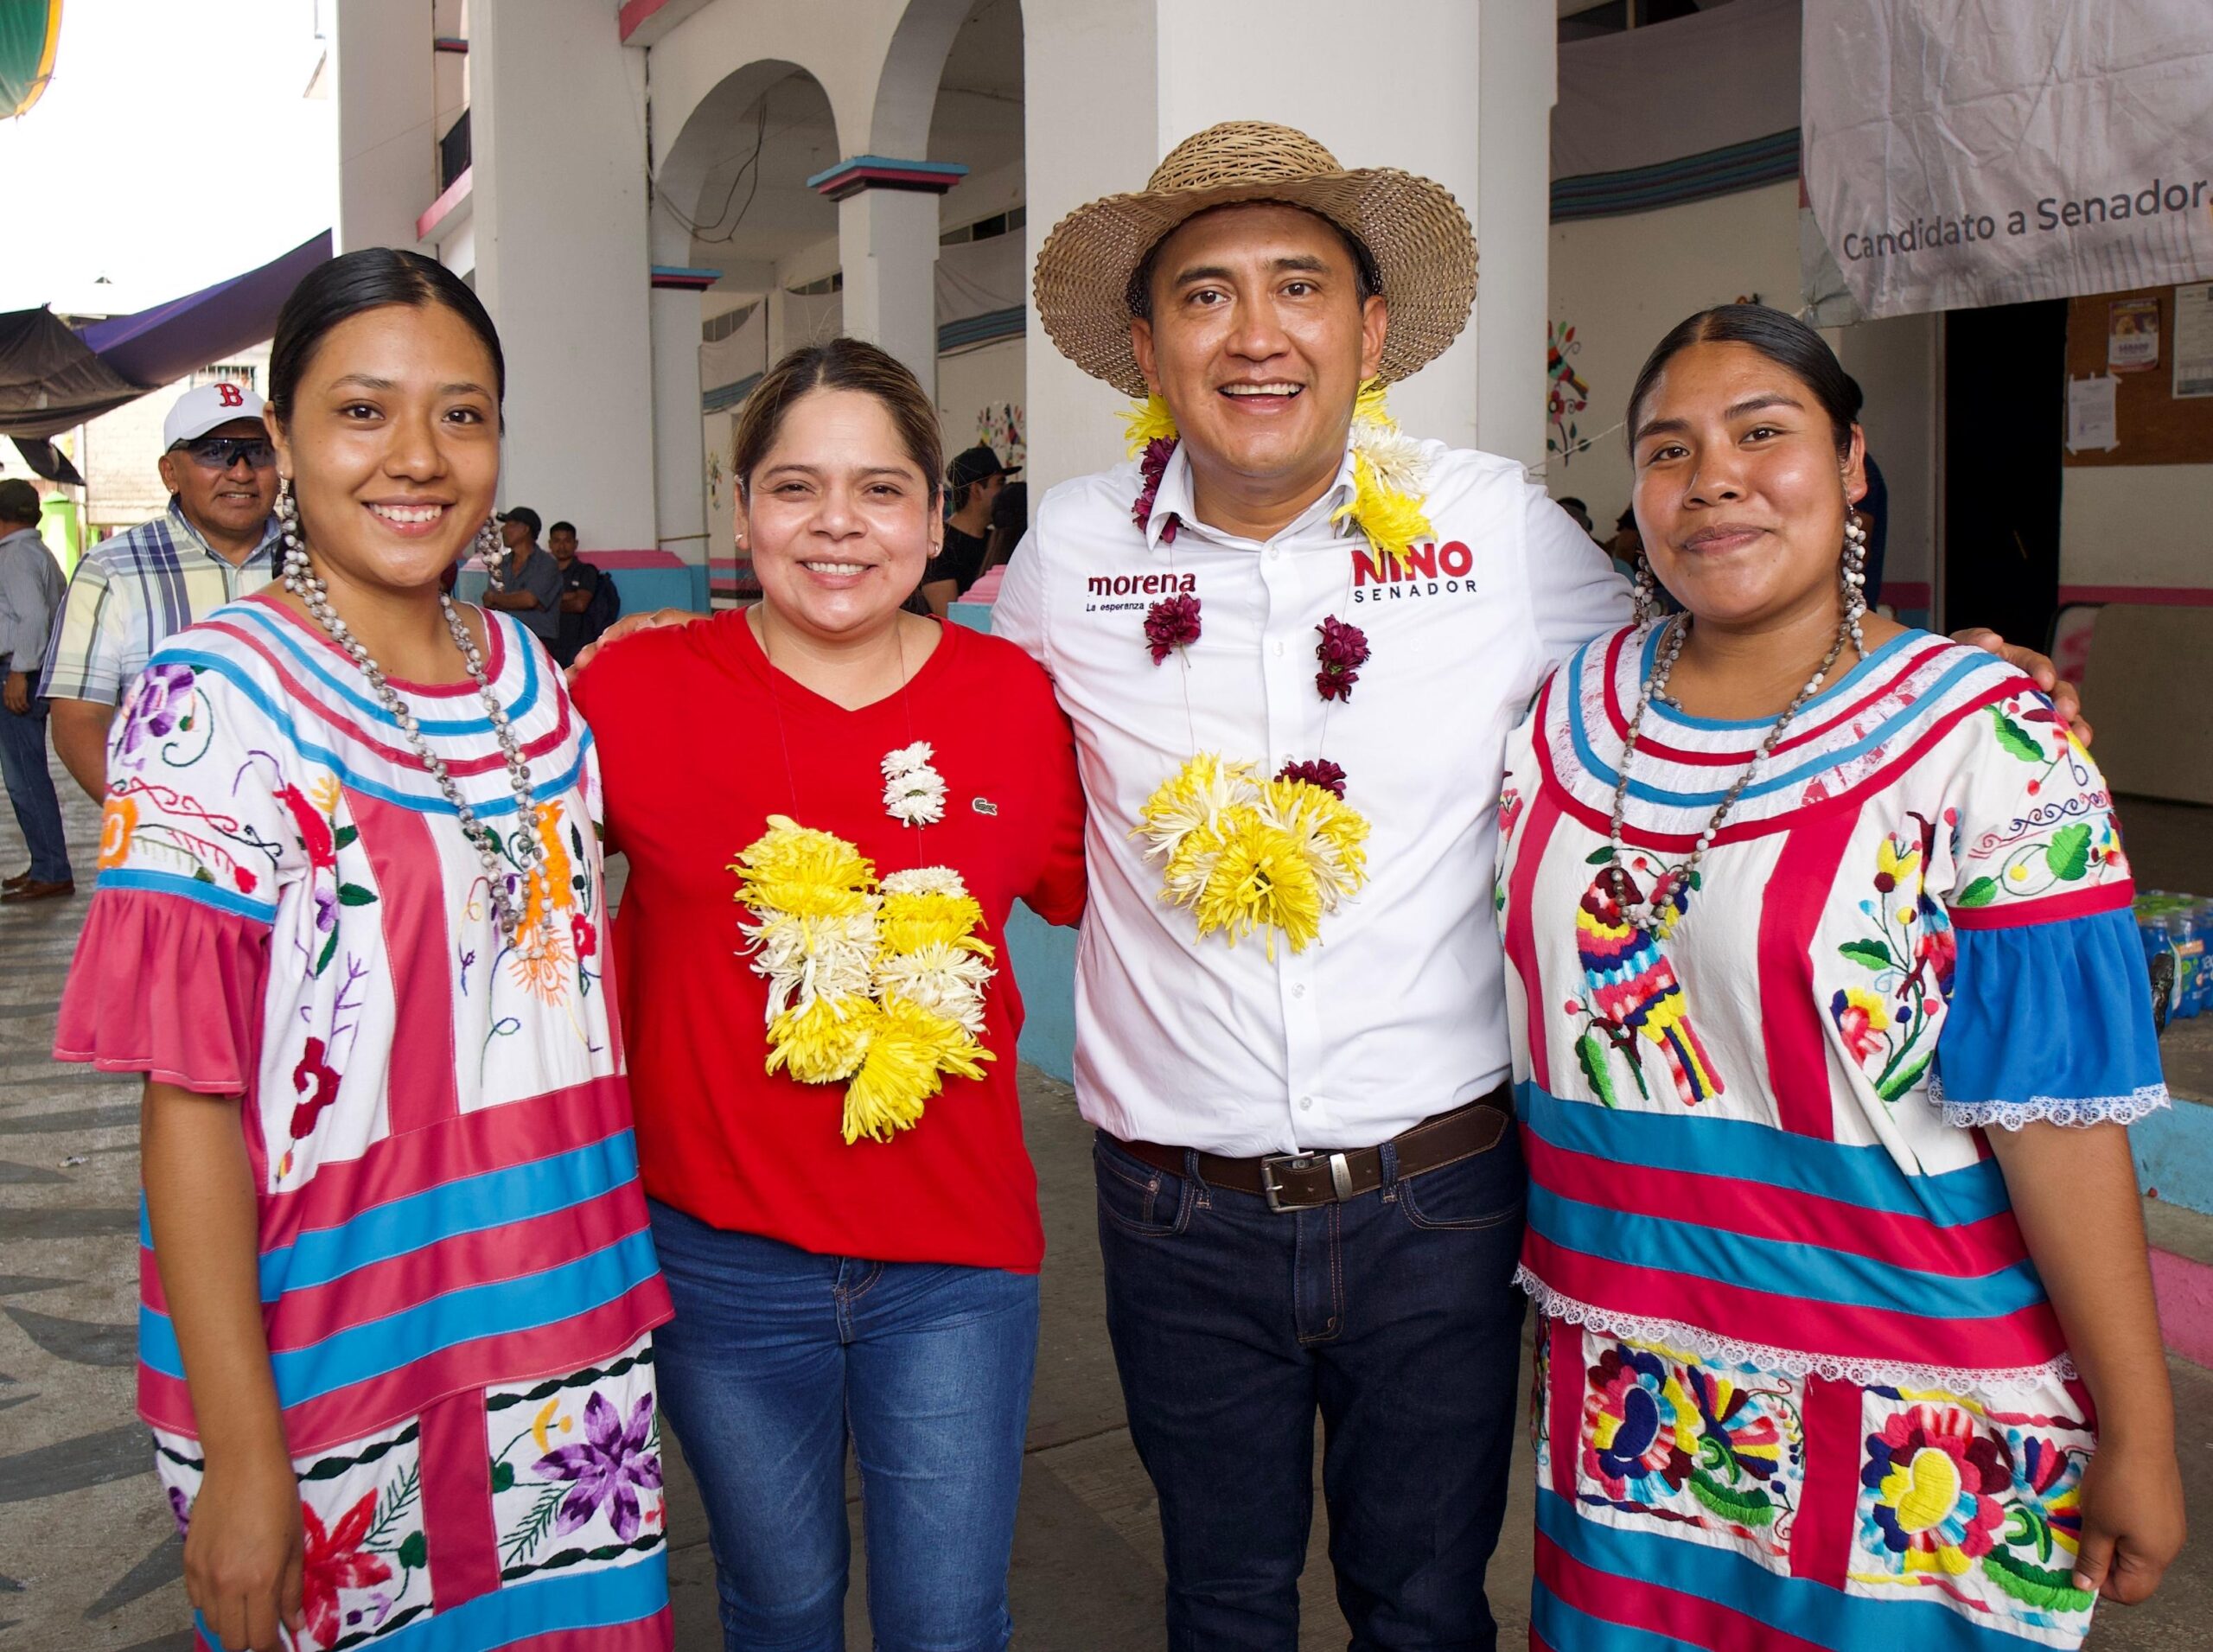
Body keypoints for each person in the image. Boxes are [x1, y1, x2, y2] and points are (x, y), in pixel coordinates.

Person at [993, 124, 2086, 1649]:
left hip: (1439, 1200)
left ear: (1369, 333)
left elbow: (1714, 633)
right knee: (1221, 1602)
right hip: (1178, 1205)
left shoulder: (1491, 529)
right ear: (1144, 347)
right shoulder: (1069, 553)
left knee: (1429, 1606)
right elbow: (909, 684)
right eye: (1206, 296)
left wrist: (1932, 666)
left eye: (1300, 287)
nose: (1256, 335)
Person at [1494, 304, 2182, 1649]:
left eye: (1766, 433)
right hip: (1633, 1383)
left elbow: (2061, 1121)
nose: (1716, 478)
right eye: (1669, 447)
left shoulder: (1989, 741)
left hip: (1920, 1406)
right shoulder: (1562, 712)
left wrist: (2141, 1430)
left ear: (1854, 460)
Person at [53, 248, 673, 1652]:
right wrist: (246, 1455)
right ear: (282, 442)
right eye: (361, 411)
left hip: (565, 1323)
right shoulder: (210, 704)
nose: (417, 456)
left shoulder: (530, 678)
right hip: (329, 1345)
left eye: (462, 413)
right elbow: (192, 1101)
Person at [571, 338, 1085, 1651]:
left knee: (949, 1619)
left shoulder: (1019, 700)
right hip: (716, 1255)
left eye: (881, 488)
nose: (839, 525)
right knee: (780, 1601)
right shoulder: (630, 691)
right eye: (796, 487)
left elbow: (1106, 892)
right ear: (742, 510)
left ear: (935, 512)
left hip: (955, 1262)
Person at [39, 381, 282, 801]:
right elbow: (78, 720)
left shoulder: (324, 560)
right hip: (174, 833)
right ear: (170, 472)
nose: (241, 471)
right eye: (215, 451)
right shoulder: (112, 571)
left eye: (258, 452)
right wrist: (152, 826)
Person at [0, 477, 72, 902]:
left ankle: (51, 869)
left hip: (16, 669)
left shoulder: (15, 557)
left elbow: (31, 619)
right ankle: (44, 862)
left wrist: (19, 673)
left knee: (25, 777)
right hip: (26, 668)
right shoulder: (37, 552)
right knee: (26, 774)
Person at [917, 443, 1015, 614]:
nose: (1005, 491)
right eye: (999, 483)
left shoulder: (998, 540)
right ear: (977, 490)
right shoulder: (940, 544)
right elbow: (949, 617)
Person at [482, 504, 564, 647]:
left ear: (525, 530)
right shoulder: (502, 564)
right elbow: (488, 603)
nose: (503, 529)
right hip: (505, 638)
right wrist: (514, 600)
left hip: (538, 640)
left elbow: (529, 600)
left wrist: (497, 599)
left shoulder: (547, 563)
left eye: (510, 525)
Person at [545, 520, 616, 668]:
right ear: (550, 544)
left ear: (575, 544)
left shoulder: (586, 571)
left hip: (578, 642)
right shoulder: (544, 573)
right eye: (557, 541)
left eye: (567, 541)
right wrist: (568, 596)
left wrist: (547, 602)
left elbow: (580, 605)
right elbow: (533, 601)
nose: (562, 546)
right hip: (550, 642)